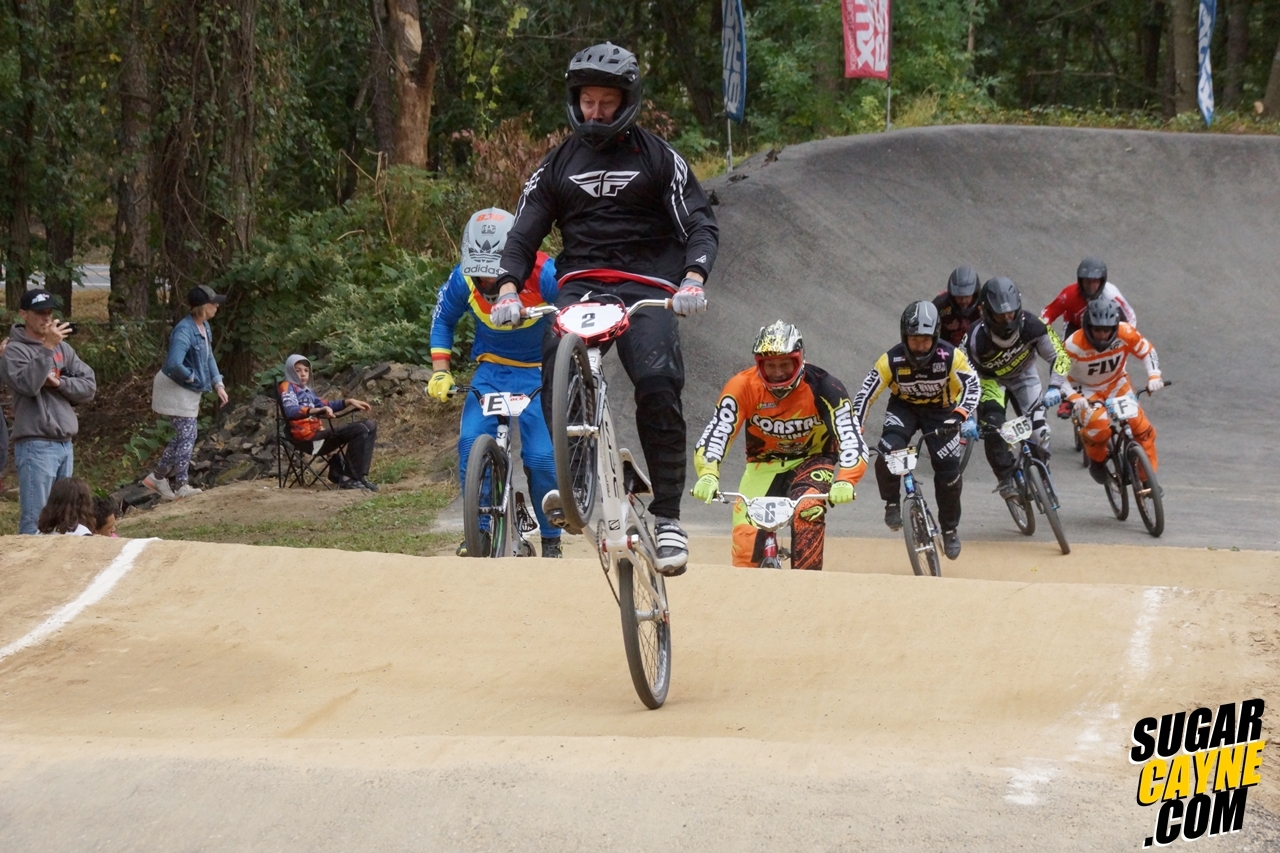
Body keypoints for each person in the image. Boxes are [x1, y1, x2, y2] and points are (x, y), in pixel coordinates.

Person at [493, 42, 718, 575]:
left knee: (660, 381)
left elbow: (700, 224)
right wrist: (506, 286)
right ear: (575, 100)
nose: (595, 112)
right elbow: (523, 233)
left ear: (628, 101)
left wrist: (692, 278)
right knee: (554, 352)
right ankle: (575, 479)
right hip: (583, 284)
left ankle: (667, 517)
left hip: (648, 284)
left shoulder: (661, 158)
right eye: (587, 101)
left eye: (607, 102)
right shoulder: (556, 165)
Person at [428, 207, 562, 558]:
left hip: (538, 372)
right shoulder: (463, 280)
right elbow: (443, 319)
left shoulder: (544, 272)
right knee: (470, 442)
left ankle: (551, 539)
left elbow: (574, 306)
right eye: (479, 275)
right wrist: (441, 370)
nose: (486, 284)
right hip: (491, 371)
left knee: (542, 457)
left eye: (493, 276)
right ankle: (480, 530)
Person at [690, 322, 867, 570]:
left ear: (799, 360)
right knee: (745, 548)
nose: (778, 372)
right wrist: (708, 474)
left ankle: (807, 589)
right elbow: (719, 431)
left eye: (785, 363)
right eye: (770, 365)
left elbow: (849, 435)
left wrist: (846, 479)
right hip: (763, 464)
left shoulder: (825, 386)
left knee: (808, 511)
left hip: (813, 459)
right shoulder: (741, 386)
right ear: (759, 363)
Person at [852, 301, 980, 560]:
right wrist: (854, 426)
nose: (920, 347)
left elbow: (973, 385)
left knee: (949, 471)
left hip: (942, 412)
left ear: (935, 336)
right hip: (904, 409)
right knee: (888, 451)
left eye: (925, 340)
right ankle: (891, 503)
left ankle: (950, 529)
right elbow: (865, 394)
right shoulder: (890, 360)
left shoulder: (951, 355)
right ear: (904, 337)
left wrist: (960, 415)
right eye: (914, 340)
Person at [0, 288, 97, 534]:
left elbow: (89, 387)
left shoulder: (63, 350)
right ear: (23, 314)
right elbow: (28, 385)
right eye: (39, 313)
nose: (46, 318)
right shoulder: (14, 351)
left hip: (65, 442)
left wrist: (59, 383)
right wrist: (46, 349)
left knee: (64, 518)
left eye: (49, 313)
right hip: (36, 444)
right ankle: (27, 571)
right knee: (35, 518)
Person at [964, 276, 1071, 499]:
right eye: (1000, 315)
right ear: (985, 312)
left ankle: (1042, 472)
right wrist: (967, 416)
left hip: (1025, 376)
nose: (1006, 319)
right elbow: (961, 377)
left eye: (1010, 313)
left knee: (1040, 431)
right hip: (990, 381)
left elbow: (1060, 355)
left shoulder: (1035, 325)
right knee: (993, 427)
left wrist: (1055, 387)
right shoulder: (973, 339)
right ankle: (1005, 479)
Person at [142, 285, 231, 501]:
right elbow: (173, 363)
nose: (217, 306)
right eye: (213, 302)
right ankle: (181, 485)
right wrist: (192, 377)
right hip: (174, 387)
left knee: (186, 434)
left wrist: (218, 384)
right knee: (188, 434)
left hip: (188, 388)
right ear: (202, 306)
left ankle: (158, 476)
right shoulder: (184, 330)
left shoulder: (204, 327)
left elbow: (208, 358)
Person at [1064, 298, 1164, 485]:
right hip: (1084, 389)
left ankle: (1147, 479)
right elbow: (1057, 376)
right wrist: (1073, 397)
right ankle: (1097, 461)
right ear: (1087, 326)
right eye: (1097, 329)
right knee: (1099, 427)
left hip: (1116, 383)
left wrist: (1154, 375)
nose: (1102, 335)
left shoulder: (1125, 332)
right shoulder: (1072, 344)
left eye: (1107, 330)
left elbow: (1146, 351)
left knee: (1143, 431)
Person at [1040, 256, 1137, 418]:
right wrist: (1050, 340)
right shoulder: (1069, 294)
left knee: (1116, 359)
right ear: (1080, 281)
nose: (1091, 286)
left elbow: (1130, 316)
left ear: (1102, 281)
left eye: (1095, 282)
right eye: (1086, 282)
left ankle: (1119, 392)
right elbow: (1047, 314)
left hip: (1104, 328)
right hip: (1075, 327)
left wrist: (1125, 338)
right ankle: (1066, 397)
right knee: (1062, 358)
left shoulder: (1111, 293)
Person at [278, 355, 378, 490]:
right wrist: (317, 410)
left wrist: (347, 402)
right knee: (359, 429)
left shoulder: (307, 391)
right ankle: (348, 478)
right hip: (308, 439)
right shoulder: (287, 386)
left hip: (319, 434)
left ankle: (358, 477)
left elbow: (326, 404)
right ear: (290, 371)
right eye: (298, 370)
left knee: (370, 425)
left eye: (306, 370)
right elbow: (291, 410)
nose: (303, 374)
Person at [932, 266, 982, 348]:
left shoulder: (984, 306)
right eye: (959, 297)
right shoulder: (939, 305)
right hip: (945, 350)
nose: (963, 301)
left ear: (974, 294)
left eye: (967, 296)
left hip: (975, 350)